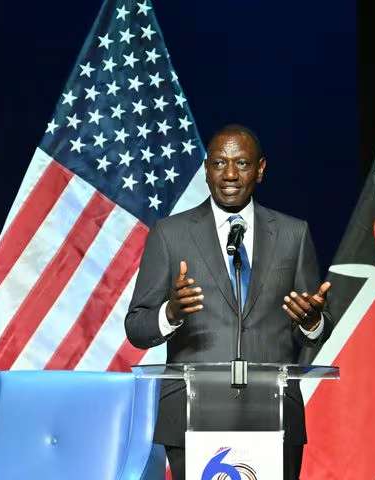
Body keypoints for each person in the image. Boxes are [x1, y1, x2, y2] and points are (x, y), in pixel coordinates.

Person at [124, 124, 332, 480]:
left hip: (274, 415)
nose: (230, 174)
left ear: (260, 169)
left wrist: (312, 322)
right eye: (219, 163)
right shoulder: (170, 234)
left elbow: (314, 326)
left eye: (242, 163)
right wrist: (170, 313)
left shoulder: (293, 234)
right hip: (193, 415)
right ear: (207, 170)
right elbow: (137, 327)